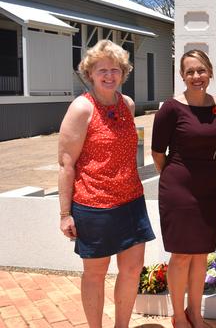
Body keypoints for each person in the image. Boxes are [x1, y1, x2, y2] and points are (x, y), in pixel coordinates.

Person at [58, 40, 156, 328]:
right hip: (94, 205)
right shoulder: (81, 109)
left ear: (123, 73)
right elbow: (66, 163)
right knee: (95, 273)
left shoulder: (127, 105)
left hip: (131, 202)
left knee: (131, 269)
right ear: (90, 73)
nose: (109, 75)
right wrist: (65, 214)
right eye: (102, 70)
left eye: (115, 69)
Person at [151, 50, 216, 328]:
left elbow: (215, 143)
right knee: (181, 254)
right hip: (179, 188)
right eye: (190, 72)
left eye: (201, 70)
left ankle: (196, 312)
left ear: (210, 72)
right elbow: (158, 152)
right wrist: (175, 177)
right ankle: (179, 315)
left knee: (200, 254)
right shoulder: (171, 109)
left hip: (211, 187)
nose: (197, 77)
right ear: (182, 76)